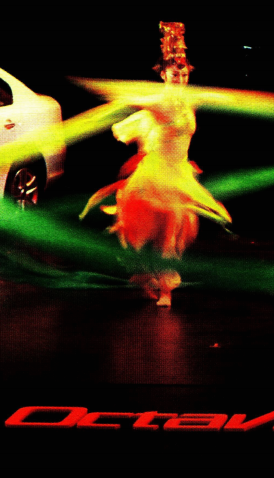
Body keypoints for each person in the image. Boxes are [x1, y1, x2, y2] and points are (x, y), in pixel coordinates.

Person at [82, 22, 231, 306]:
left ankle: (165, 287)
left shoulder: (189, 102)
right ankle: (151, 279)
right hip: (154, 176)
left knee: (171, 235)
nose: (180, 79)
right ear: (163, 74)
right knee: (144, 235)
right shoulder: (158, 101)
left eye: (184, 74)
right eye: (175, 74)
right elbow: (133, 99)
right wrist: (109, 92)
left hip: (178, 174)